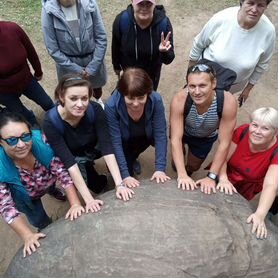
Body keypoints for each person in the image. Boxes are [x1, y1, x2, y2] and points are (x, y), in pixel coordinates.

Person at [0, 112, 90, 257]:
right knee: (39, 220)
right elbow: (6, 207)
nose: (21, 144)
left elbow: (62, 172)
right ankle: (48, 228)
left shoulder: (41, 140)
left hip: (48, 179)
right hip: (26, 197)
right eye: (11, 140)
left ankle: (53, 191)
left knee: (52, 187)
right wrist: (27, 236)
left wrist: (74, 204)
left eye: (25, 136)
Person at [43, 74, 134, 201]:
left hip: (94, 147)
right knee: (95, 185)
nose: (80, 104)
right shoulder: (51, 122)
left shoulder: (95, 109)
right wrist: (89, 200)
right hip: (75, 155)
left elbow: (107, 146)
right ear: (61, 97)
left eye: (84, 98)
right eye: (73, 98)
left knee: (120, 149)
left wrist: (120, 184)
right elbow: (69, 162)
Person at [188, 0, 275, 105]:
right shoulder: (221, 18)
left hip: (231, 87)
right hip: (202, 82)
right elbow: (198, 45)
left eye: (260, 5)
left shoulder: (268, 32)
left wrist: (248, 89)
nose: (254, 9)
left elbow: (262, 64)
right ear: (242, 2)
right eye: (250, 3)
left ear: (266, 6)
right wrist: (190, 76)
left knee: (218, 110)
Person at [170, 63, 237, 194]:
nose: (197, 92)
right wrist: (182, 175)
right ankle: (181, 168)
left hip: (205, 136)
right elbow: (175, 139)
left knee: (194, 165)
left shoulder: (227, 102)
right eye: (192, 86)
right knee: (178, 152)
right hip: (184, 131)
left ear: (213, 84)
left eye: (202, 85)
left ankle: (188, 169)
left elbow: (224, 142)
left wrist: (212, 177)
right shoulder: (180, 99)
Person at [217, 107, 278, 239]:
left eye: (265, 128)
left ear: (275, 132)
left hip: (247, 186)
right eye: (255, 125)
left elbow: (271, 185)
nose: (257, 132)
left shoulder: (276, 151)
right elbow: (223, 157)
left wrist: (260, 214)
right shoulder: (242, 131)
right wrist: (222, 178)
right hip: (224, 174)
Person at [105, 68, 170, 188]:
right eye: (130, 98)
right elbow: (115, 141)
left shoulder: (156, 100)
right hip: (123, 140)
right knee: (127, 171)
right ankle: (120, 167)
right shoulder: (111, 106)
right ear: (122, 94)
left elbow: (160, 134)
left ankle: (132, 159)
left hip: (144, 137)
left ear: (148, 93)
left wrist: (160, 169)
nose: (136, 103)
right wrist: (125, 175)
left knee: (134, 153)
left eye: (141, 98)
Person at [41, 0, 107, 106]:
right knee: (74, 91)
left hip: (93, 59)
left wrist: (93, 66)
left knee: (96, 86)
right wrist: (76, 69)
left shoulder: (90, 3)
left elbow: (101, 37)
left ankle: (97, 100)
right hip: (68, 65)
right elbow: (53, 49)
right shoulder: (49, 11)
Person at [112, 0, 175, 90]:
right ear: (132, 2)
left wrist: (164, 52)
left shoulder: (163, 24)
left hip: (151, 79)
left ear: (154, 3)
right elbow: (115, 48)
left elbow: (169, 59)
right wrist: (117, 68)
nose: (144, 8)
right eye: (140, 3)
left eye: (148, 3)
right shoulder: (121, 21)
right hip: (128, 77)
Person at [0, 21, 54, 126]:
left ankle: (59, 120)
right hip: (3, 91)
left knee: (47, 103)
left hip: (26, 79)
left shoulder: (12, 28)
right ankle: (35, 131)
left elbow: (30, 51)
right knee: (22, 115)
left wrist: (38, 71)